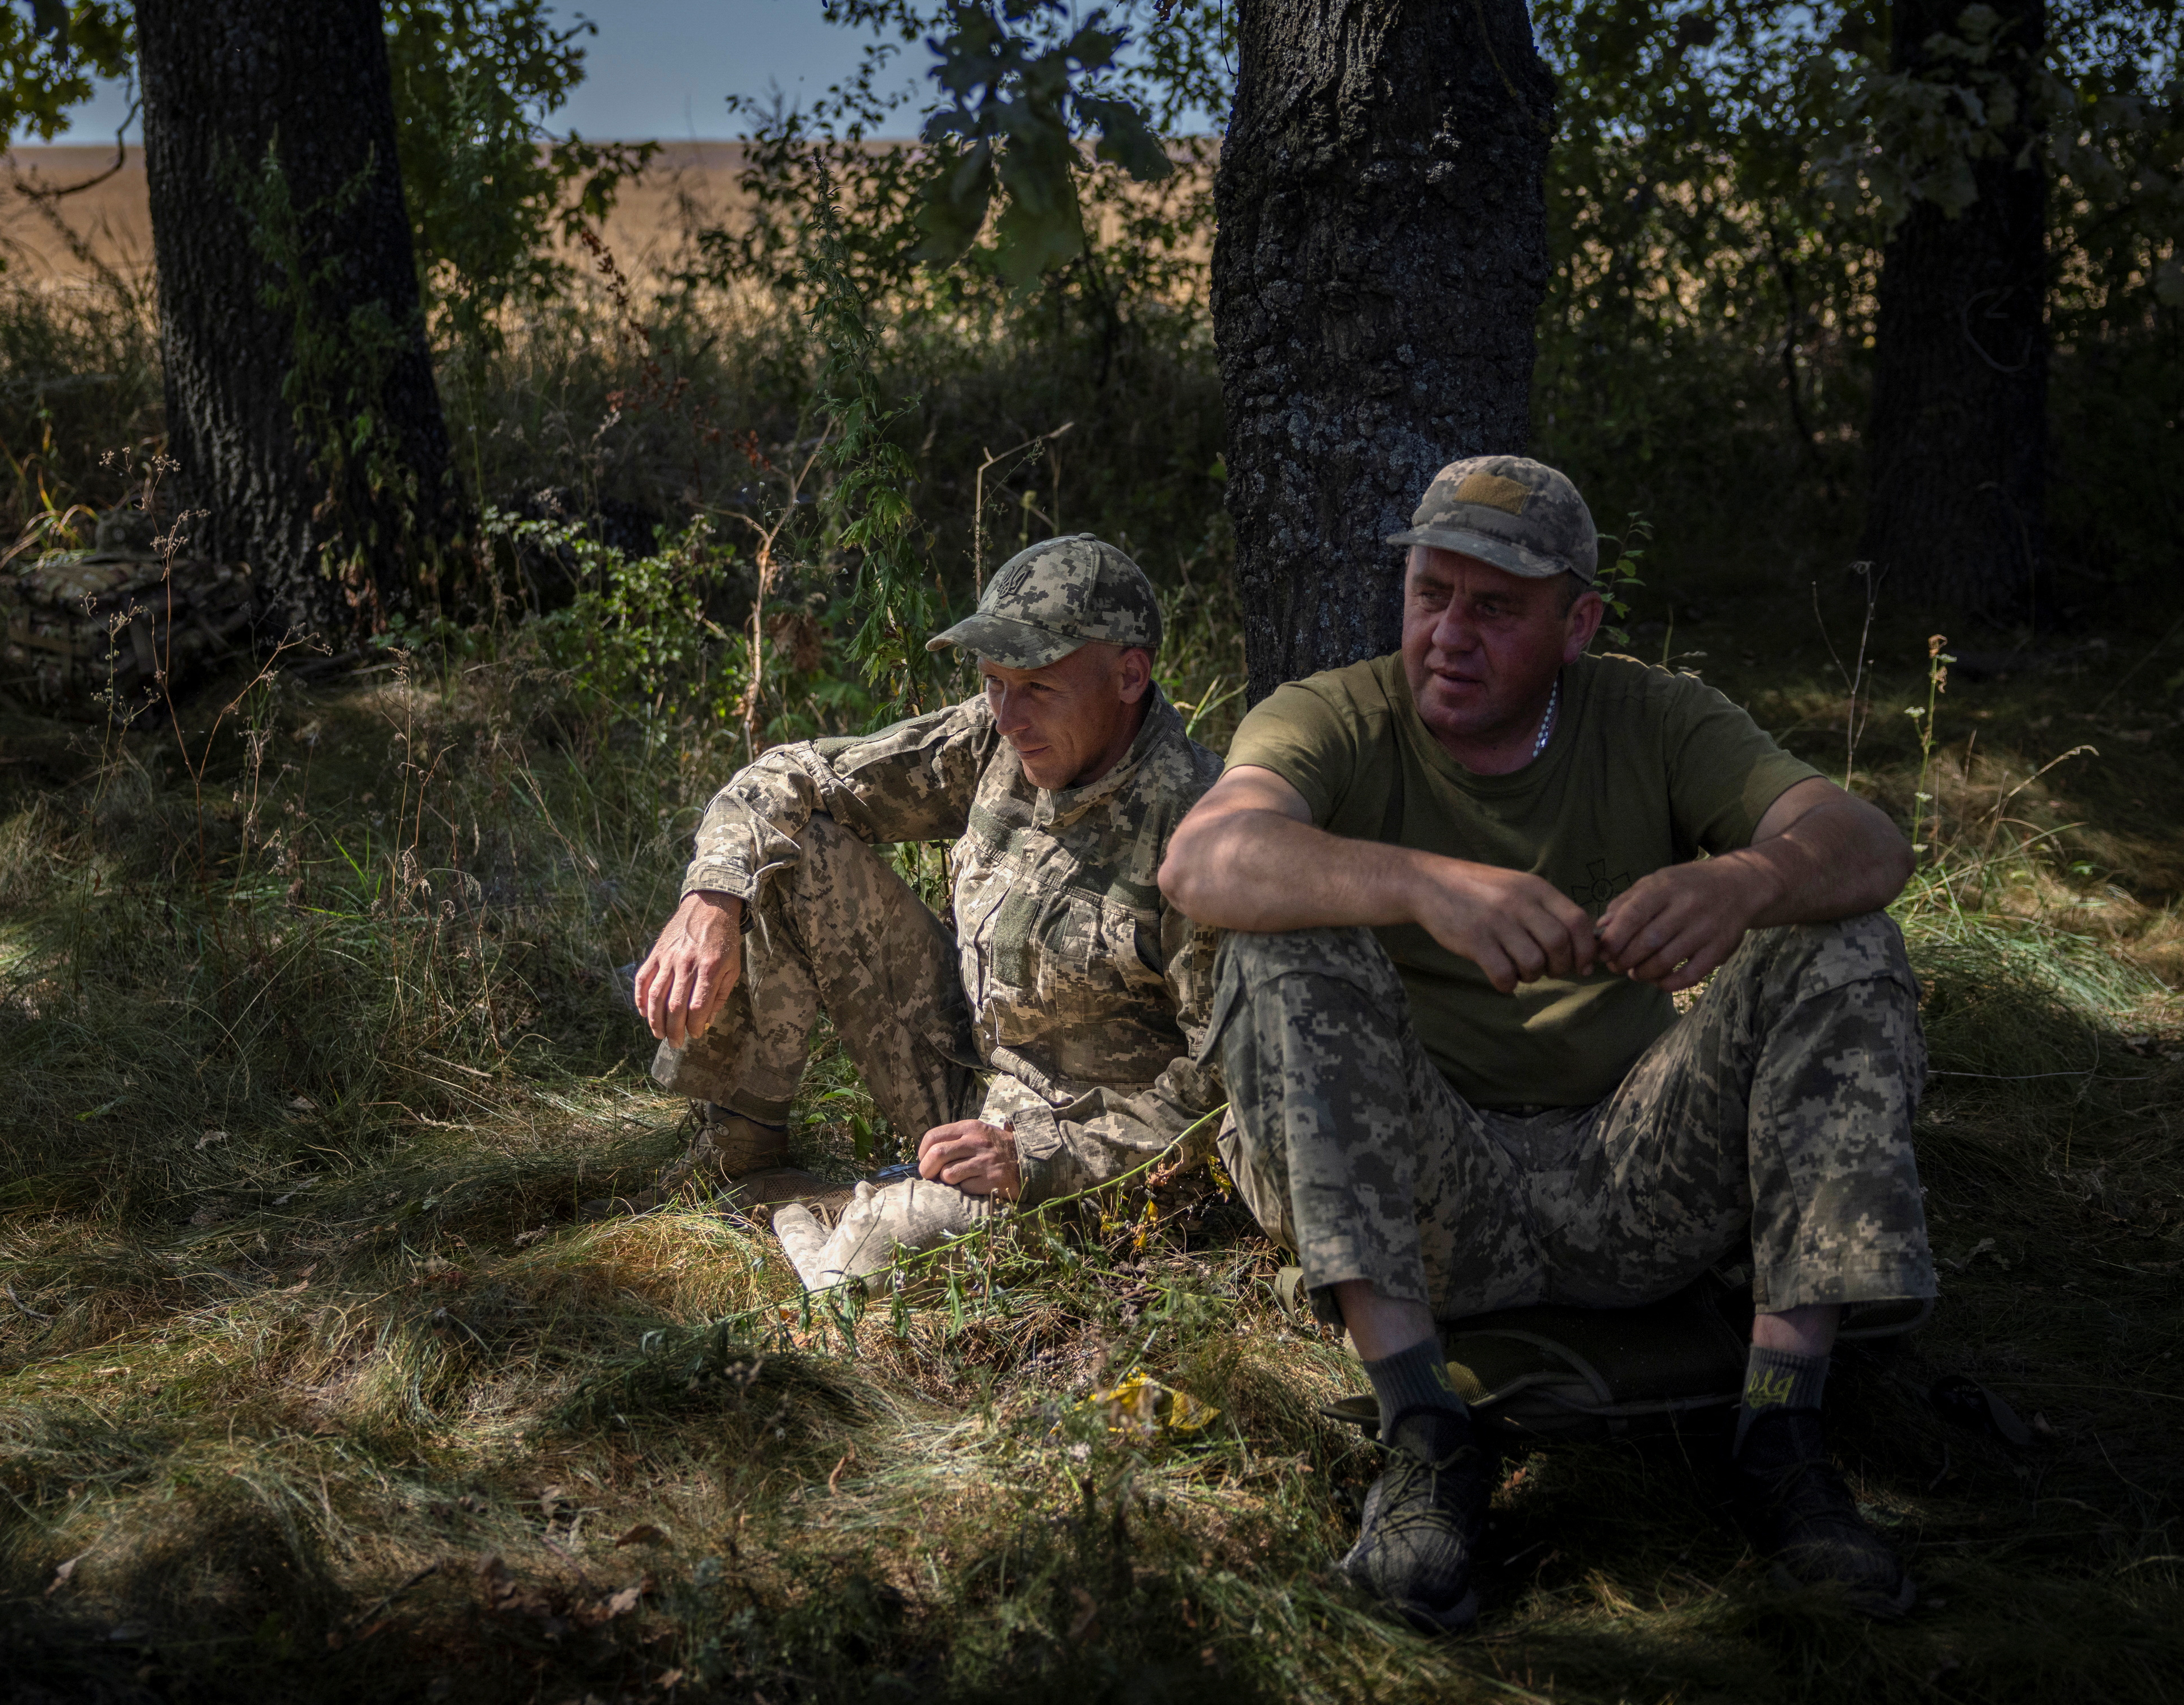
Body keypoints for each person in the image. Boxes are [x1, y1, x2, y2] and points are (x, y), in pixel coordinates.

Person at [1158, 456, 1934, 1628]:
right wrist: (1424, 886)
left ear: (1577, 624)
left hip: (1631, 1180)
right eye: (1431, 595)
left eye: (1496, 608)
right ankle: (1423, 1434)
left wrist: (1747, 879)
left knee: (1841, 938)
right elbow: (1202, 863)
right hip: (1432, 1203)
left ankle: (1783, 1429)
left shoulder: (1654, 715)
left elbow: (1869, 843)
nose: (1449, 636)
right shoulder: (1335, 715)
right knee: (1283, 942)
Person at [628, 534, 1225, 1279]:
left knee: (889, 1238)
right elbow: (791, 775)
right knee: (789, 851)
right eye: (992, 683)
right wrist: (710, 897)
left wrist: (1037, 1157)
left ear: (1130, 674)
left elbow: (1223, 1095)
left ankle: (836, 1228)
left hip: (1089, 1167)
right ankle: (739, 1159)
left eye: (1037, 687)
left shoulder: (1205, 834)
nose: (1009, 717)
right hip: (967, 1087)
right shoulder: (999, 742)